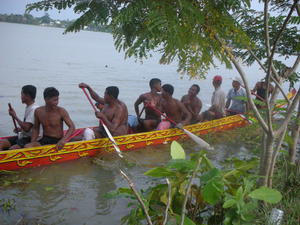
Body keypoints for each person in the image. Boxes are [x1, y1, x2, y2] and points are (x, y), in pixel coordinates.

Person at [0, 85, 39, 150]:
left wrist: (14, 116)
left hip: (29, 139)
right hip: (24, 136)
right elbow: (29, 128)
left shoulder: (34, 109)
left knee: (12, 149)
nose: (21, 96)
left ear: (27, 96)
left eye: (22, 94)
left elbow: (27, 128)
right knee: (2, 143)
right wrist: (21, 130)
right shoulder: (29, 107)